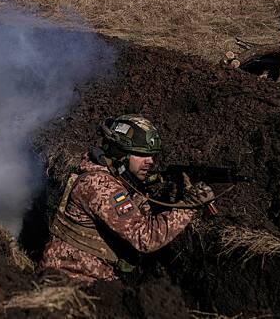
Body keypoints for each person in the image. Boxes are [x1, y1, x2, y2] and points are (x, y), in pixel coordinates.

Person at [40, 114, 214, 283]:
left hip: (86, 276)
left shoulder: (111, 176)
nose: (150, 161)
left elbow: (139, 214)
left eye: (152, 155)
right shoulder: (101, 186)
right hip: (73, 280)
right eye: (141, 154)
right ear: (120, 153)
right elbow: (145, 238)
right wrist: (188, 206)